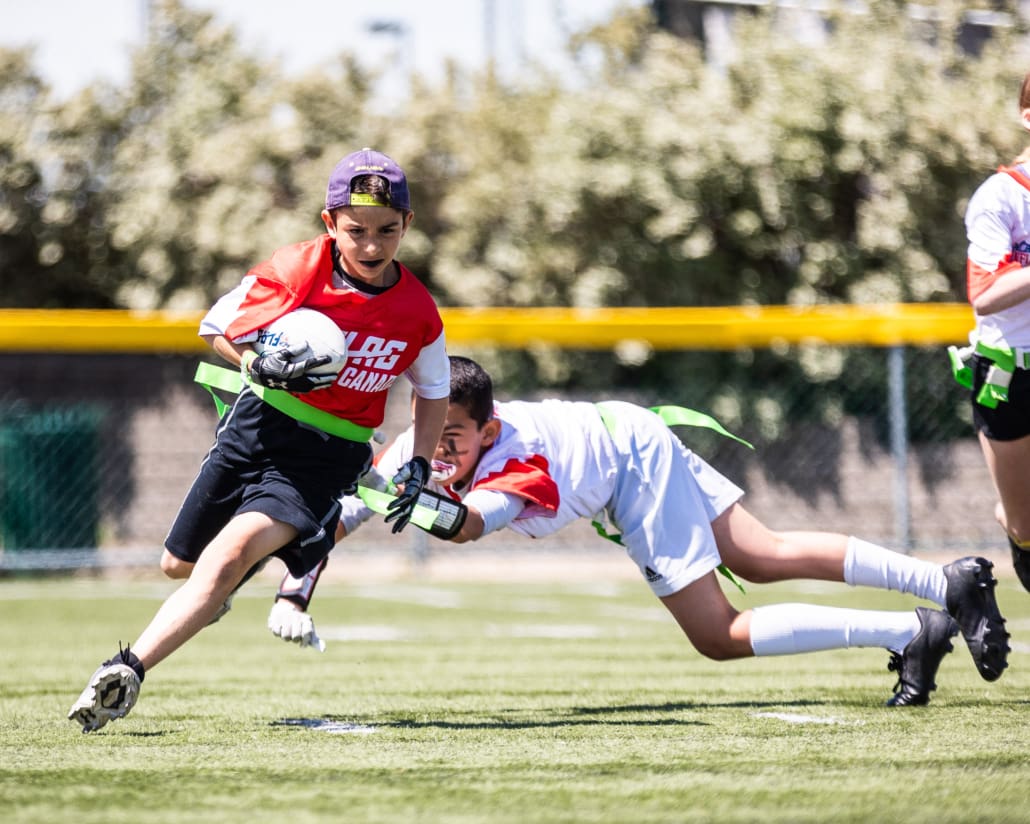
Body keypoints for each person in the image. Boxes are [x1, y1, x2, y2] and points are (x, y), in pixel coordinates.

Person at [271, 356, 1010, 708]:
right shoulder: (422, 442)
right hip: (627, 429)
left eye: (457, 438)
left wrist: (424, 506)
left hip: (630, 462)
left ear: (488, 427)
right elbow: (342, 515)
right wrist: (291, 581)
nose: (441, 449)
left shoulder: (518, 458)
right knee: (763, 553)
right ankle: (942, 583)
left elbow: (469, 526)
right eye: (433, 432)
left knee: (717, 634)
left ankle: (907, 631)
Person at [68, 148, 451, 733]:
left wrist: (420, 463)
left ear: (408, 224)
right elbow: (216, 329)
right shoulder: (295, 269)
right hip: (256, 428)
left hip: (325, 457)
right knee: (179, 566)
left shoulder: (418, 310)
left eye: (387, 231)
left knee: (223, 559)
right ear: (329, 223)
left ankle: (126, 671)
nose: (371, 246)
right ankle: (224, 582)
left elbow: (434, 389)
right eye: (356, 231)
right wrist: (257, 362)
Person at [954, 68, 1030, 593]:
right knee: (1029, 530)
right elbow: (984, 294)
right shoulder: (999, 197)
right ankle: (1013, 520)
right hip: (1010, 373)